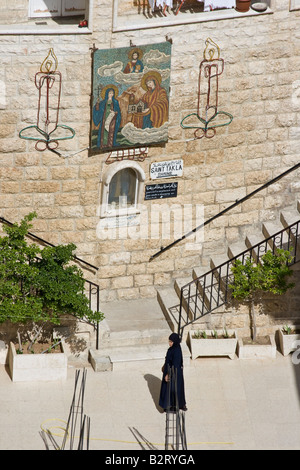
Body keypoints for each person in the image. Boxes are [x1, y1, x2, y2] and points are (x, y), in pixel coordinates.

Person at [159, 333, 187, 412]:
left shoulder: (177, 351)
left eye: (171, 341)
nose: (169, 343)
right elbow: (168, 359)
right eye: (169, 341)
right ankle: (170, 405)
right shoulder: (173, 348)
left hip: (174, 374)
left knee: (173, 389)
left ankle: (174, 406)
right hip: (169, 370)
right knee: (169, 389)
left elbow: (175, 365)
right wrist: (164, 366)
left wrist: (168, 374)